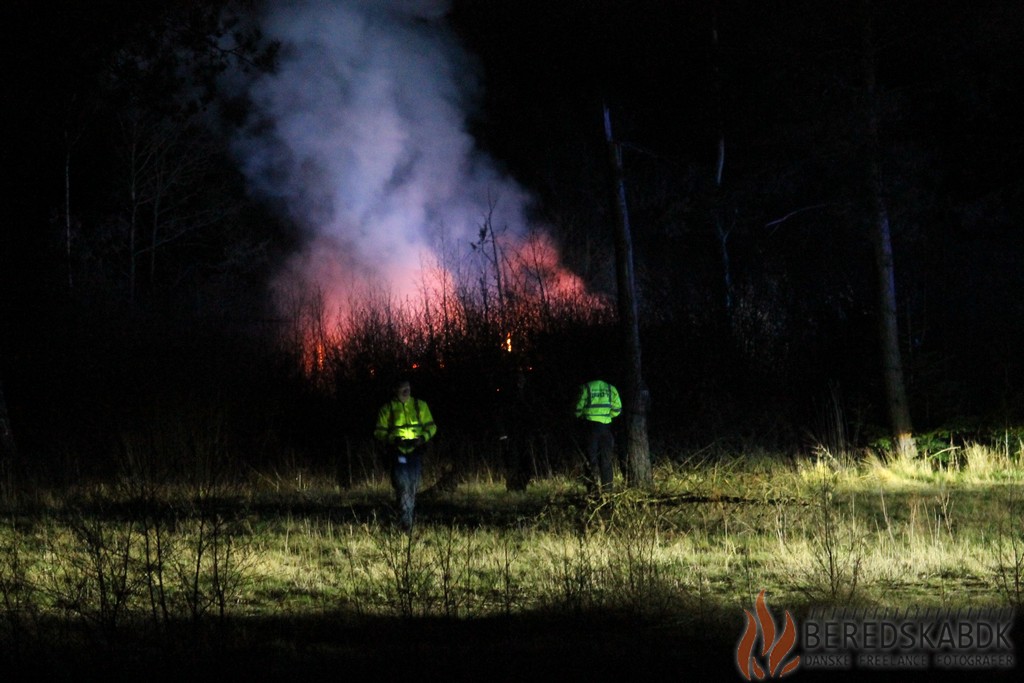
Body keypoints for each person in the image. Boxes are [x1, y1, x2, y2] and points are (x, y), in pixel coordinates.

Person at [374, 379, 437, 530]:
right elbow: (379, 431)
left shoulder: (420, 406)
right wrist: (394, 440)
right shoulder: (387, 409)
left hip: (415, 452)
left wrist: (422, 439)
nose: (406, 392)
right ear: (396, 390)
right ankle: (405, 522)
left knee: (413, 486)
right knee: (402, 486)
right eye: (403, 389)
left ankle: (406, 519)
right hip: (399, 453)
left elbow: (432, 427)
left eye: (408, 388)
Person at [574, 378, 622, 493]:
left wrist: (581, 416)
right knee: (606, 462)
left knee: (591, 460)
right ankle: (608, 492)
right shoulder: (611, 388)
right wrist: (607, 416)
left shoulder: (586, 387)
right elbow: (617, 409)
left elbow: (578, 408)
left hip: (590, 427)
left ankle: (593, 492)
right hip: (606, 427)